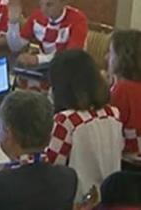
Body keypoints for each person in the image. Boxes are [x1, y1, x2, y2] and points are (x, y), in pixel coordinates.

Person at [46, 49, 123, 198]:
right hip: (106, 197)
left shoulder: (66, 121)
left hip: (75, 201)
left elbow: (50, 170)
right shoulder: (113, 113)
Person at [7, 0, 88, 66]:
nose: (43, 9)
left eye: (49, 5)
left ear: (63, 3)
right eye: (41, 4)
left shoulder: (77, 19)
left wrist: (38, 59)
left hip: (71, 67)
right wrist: (13, 24)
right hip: (45, 66)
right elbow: (16, 48)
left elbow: (71, 56)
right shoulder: (36, 17)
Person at [108, 29, 141, 158]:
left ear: (122, 57)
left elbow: (109, 126)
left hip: (128, 158)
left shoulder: (123, 89)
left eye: (110, 53)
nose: (106, 58)